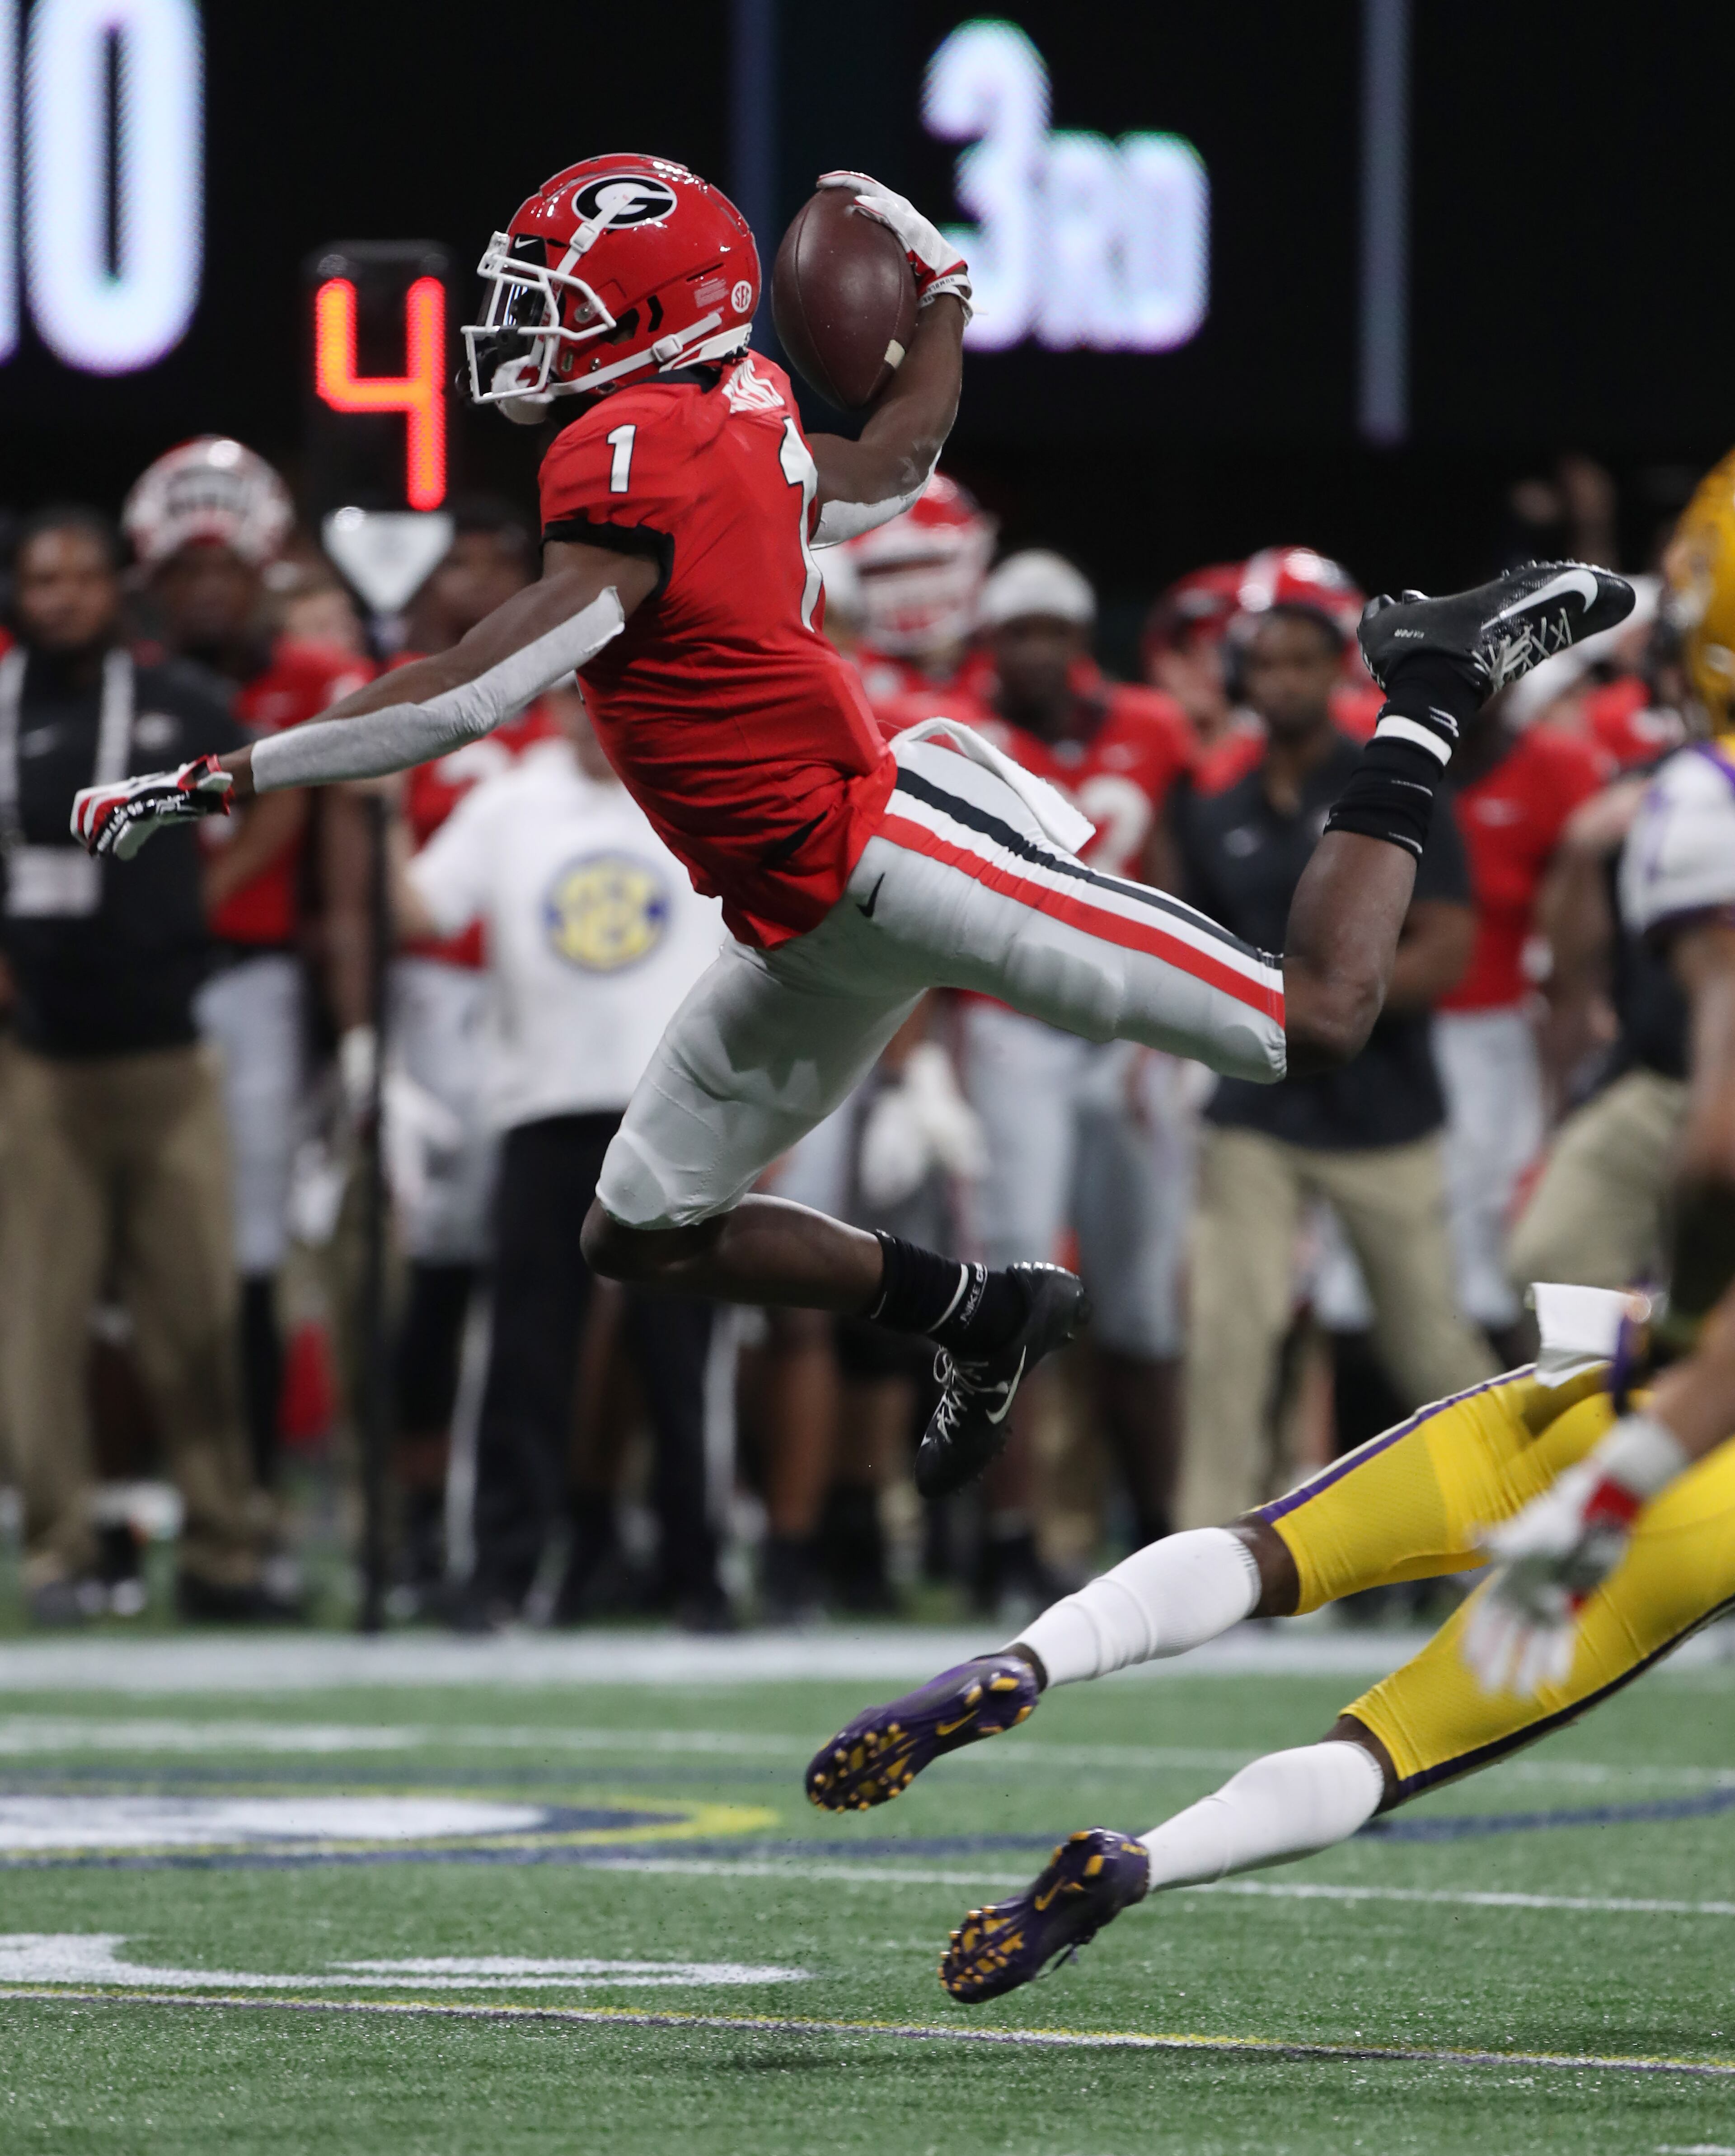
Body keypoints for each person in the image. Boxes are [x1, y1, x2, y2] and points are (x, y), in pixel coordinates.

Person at [73, 153, 1633, 1507]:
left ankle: (1432, 676)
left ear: (653, 308)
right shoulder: (730, 408)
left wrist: (234, 771)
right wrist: (943, 304)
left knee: (1320, 1018)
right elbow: (889, 467)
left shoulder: (627, 450)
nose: (519, 325)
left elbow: (484, 685)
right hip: (807, 914)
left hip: (891, 846)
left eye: (553, 294)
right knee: (644, 1232)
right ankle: (973, 1312)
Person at [800, 1281, 1735, 2004]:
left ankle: (1026, 1660)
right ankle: (1144, 1862)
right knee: (1386, 1752)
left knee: (1269, 1552)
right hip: (1712, 1509)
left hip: (1622, 1383)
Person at [1457, 445, 1735, 1694]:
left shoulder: (1702, 800)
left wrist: (1682, 1319)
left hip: (1699, 1103)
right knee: (1546, 1265)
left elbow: (1720, 1154)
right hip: (1653, 1077)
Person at [880, 548, 1201, 1581]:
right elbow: (919, 900)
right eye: (1014, 633)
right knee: (1008, 1289)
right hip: (1005, 1022)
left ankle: (1155, 1524)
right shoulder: (951, 735)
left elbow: (1172, 874)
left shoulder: (1151, 727)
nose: (1034, 652)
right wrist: (916, 1062)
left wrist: (1193, 1019)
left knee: (1142, 1296)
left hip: (1127, 1027)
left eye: (1051, 632)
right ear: (988, 641)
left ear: (1079, 640)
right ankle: (1006, 1537)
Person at [392, 687, 731, 1630]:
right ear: (556, 706)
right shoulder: (509, 801)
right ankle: (501, 1567)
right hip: (544, 1106)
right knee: (524, 1351)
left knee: (683, 1356)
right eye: (579, 697)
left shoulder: (693, 786)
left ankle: (695, 1569)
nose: (592, 717)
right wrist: (369, 812)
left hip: (678, 1107)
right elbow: (419, 908)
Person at [0, 507, 278, 1621]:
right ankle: (60, 1550)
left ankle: (222, 1549)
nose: (63, 595)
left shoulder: (183, 706)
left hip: (170, 1055)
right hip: (41, 1066)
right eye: (41, 579)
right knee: (37, 1318)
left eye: (81, 577)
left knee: (198, 1314)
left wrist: (196, 908)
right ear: (18, 595)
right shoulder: (3, 706)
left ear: (116, 586)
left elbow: (273, 799)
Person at [1174, 597, 1497, 1527]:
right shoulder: (1215, 804)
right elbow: (1192, 939)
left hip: (1380, 1105)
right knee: (1230, 1333)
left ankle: (1521, 1536)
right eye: (1266, 665)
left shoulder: (1388, 780)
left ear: (1333, 672)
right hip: (1257, 1105)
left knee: (1433, 1343)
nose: (1283, 682)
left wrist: (1323, 1004)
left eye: (1301, 663)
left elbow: (1448, 946)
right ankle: (1201, 1551)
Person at [124, 437, 372, 1495]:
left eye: (228, 565)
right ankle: (147, 1484)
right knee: (131, 1251)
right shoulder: (114, 680)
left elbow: (338, 848)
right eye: (189, 568)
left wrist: (356, 1025)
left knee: (254, 1244)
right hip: (128, 990)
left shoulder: (314, 678)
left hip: (257, 979)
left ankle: (255, 1486)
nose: (210, 589)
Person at [322, 497, 553, 1599]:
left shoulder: (570, 682)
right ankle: (410, 1513)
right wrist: (368, 1043)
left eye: (489, 560)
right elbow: (359, 895)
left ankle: (554, 1516)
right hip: (433, 996)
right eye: (450, 561)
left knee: (541, 1280)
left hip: (549, 1002)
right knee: (427, 1276)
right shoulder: (413, 687)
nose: (469, 580)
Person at [1435, 701, 1609, 1357]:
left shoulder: (1560, 767)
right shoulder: (1380, 748)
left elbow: (1584, 939)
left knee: (1500, 1242)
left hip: (1507, 1029)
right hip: (1389, 1028)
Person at [840, 473, 995, 710]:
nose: (910, 592)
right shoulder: (839, 682)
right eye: (885, 570)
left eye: (931, 563)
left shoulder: (1011, 676)